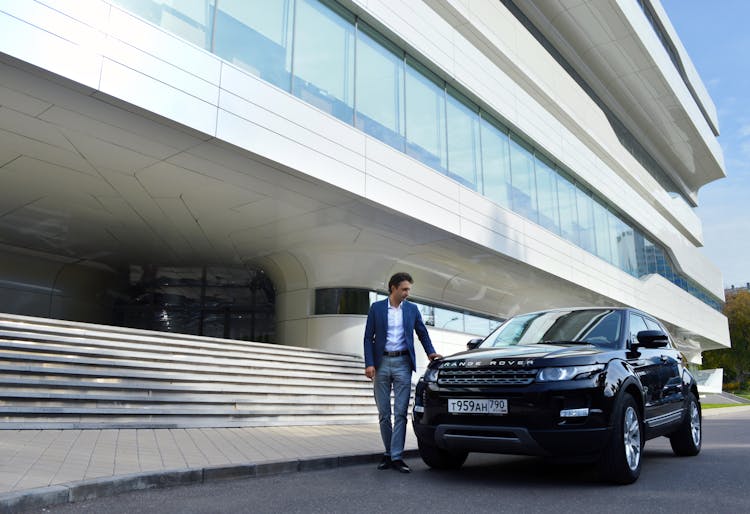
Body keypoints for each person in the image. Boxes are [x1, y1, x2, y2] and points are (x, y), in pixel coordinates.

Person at [363, 272, 442, 473]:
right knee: (384, 414)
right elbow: (367, 338)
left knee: (400, 413)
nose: (407, 293)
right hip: (381, 364)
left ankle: (396, 456)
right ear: (393, 288)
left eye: (409, 289)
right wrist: (369, 363)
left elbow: (422, 332)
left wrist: (431, 352)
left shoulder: (412, 309)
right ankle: (388, 453)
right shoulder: (377, 308)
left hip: (403, 363)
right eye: (404, 289)